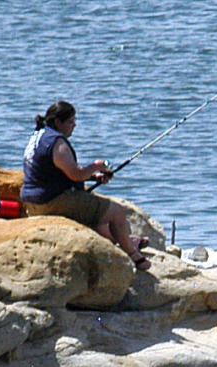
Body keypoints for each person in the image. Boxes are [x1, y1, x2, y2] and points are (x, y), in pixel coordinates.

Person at [20, 100, 151, 270]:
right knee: (117, 213)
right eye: (71, 122)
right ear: (58, 122)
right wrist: (97, 165)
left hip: (32, 202)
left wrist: (93, 176)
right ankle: (135, 257)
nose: (74, 126)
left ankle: (127, 240)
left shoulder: (38, 137)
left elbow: (56, 172)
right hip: (52, 201)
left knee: (97, 220)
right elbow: (75, 174)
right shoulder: (57, 143)